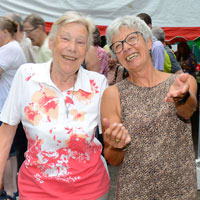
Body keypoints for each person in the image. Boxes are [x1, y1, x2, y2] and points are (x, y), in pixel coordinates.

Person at [0, 11, 110, 200]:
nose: (72, 48)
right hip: (36, 190)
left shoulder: (98, 84)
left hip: (90, 191)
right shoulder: (27, 76)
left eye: (80, 42)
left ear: (87, 50)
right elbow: (7, 131)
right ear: (51, 43)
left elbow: (109, 143)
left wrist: (118, 140)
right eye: (65, 39)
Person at [101, 15, 197, 199]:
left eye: (131, 38)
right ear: (117, 56)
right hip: (135, 192)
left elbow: (188, 111)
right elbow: (113, 159)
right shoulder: (111, 94)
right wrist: (117, 146)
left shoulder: (181, 82)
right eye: (118, 45)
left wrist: (181, 97)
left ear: (149, 43)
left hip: (180, 190)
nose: (126, 47)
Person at [0, 16, 26, 200]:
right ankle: (11, 190)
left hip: (6, 106)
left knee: (7, 150)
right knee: (9, 150)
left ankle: (10, 191)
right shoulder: (10, 48)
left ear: (5, 32)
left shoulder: (10, 49)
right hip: (7, 105)